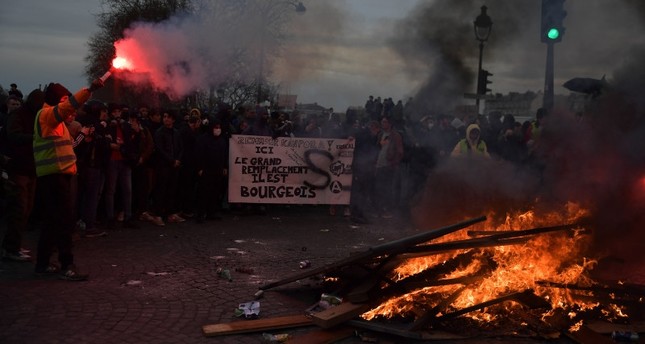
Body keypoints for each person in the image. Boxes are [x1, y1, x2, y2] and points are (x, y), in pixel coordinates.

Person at [32, 79, 104, 281]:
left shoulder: (55, 121)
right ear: (55, 99)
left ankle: (43, 264)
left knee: (52, 222)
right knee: (64, 221)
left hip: (56, 175)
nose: (67, 104)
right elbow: (67, 107)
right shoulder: (47, 115)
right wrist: (90, 89)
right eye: (63, 99)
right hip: (54, 176)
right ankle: (66, 265)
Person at [1, 89, 44, 261]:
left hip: (29, 168)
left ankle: (14, 245)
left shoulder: (32, 115)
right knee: (19, 209)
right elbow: (14, 136)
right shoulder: (18, 116)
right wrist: (35, 138)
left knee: (26, 209)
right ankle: (11, 248)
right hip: (19, 168)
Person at [74, 99, 111, 238]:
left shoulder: (79, 121)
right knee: (91, 196)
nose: (104, 114)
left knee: (79, 195)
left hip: (80, 164)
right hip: (93, 165)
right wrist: (106, 139)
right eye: (103, 111)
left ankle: (78, 221)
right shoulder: (97, 125)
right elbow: (103, 144)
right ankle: (89, 225)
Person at [151, 110, 185, 225]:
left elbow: (180, 148)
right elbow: (160, 149)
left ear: (173, 120)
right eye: (164, 116)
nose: (166, 119)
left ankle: (170, 214)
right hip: (163, 166)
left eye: (168, 117)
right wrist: (172, 160)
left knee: (172, 190)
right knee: (161, 190)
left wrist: (178, 160)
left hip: (174, 166)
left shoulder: (176, 133)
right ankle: (158, 215)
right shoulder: (159, 132)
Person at [195, 119, 229, 223]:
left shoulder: (222, 140)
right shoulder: (203, 139)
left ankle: (211, 212)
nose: (218, 130)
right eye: (216, 127)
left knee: (215, 192)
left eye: (219, 128)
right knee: (204, 192)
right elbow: (198, 154)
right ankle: (201, 214)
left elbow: (224, 154)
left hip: (218, 169)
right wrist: (199, 168)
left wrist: (224, 167)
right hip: (206, 170)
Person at [374, 116, 404, 218]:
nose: (383, 124)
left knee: (388, 189)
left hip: (388, 166)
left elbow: (400, 152)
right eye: (382, 122)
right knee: (379, 188)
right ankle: (380, 210)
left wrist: (394, 164)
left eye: (385, 122)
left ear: (390, 124)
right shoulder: (381, 134)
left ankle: (388, 210)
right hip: (379, 164)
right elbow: (378, 148)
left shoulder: (396, 136)